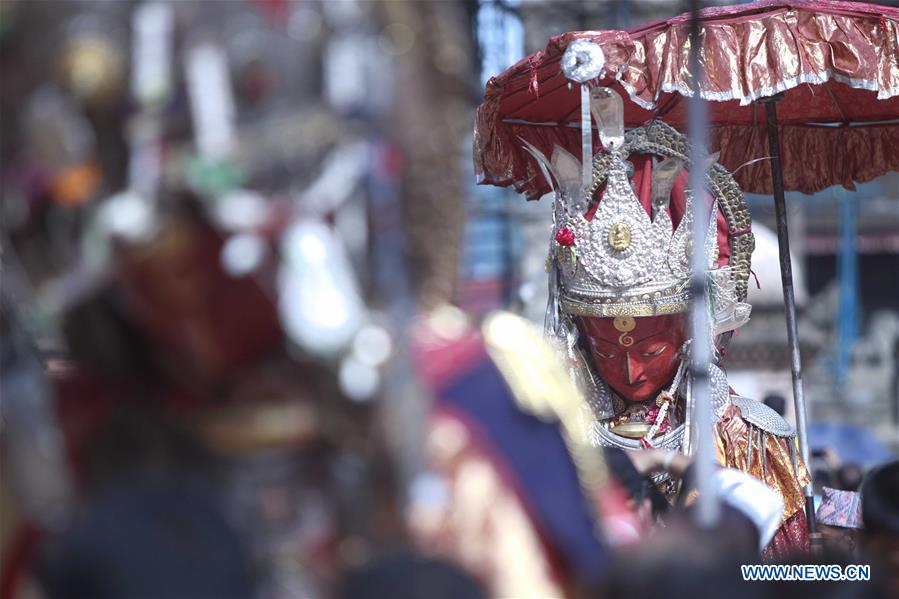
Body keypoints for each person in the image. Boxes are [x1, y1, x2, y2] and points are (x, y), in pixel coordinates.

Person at [508, 109, 810, 558]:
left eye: (650, 349)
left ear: (692, 336)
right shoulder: (552, 439)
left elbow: (784, 573)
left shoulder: (749, 440)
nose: (630, 370)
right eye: (607, 350)